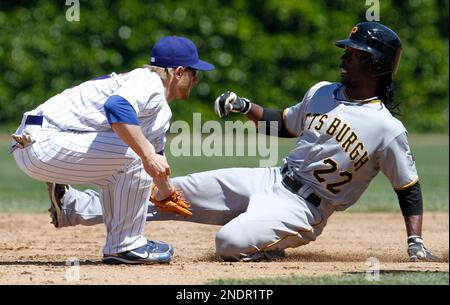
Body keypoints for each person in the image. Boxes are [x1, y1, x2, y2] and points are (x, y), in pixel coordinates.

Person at [44, 22, 439, 262]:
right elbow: (283, 125)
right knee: (169, 193)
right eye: (348, 51)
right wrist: (245, 106)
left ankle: (261, 237)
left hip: (305, 207)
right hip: (269, 178)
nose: (344, 57)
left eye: (354, 53)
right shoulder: (322, 92)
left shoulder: (388, 129)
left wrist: (415, 240)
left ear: (375, 65)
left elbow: (408, 187)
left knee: (228, 243)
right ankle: (75, 207)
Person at [10, 35, 215, 264]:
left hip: (38, 144)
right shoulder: (148, 81)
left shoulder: (159, 111)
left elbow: (156, 156)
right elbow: (116, 106)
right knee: (136, 153)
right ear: (178, 72)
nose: (196, 80)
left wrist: (166, 193)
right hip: (45, 140)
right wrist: (146, 154)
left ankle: (120, 244)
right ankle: (126, 245)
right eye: (194, 73)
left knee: (130, 159)